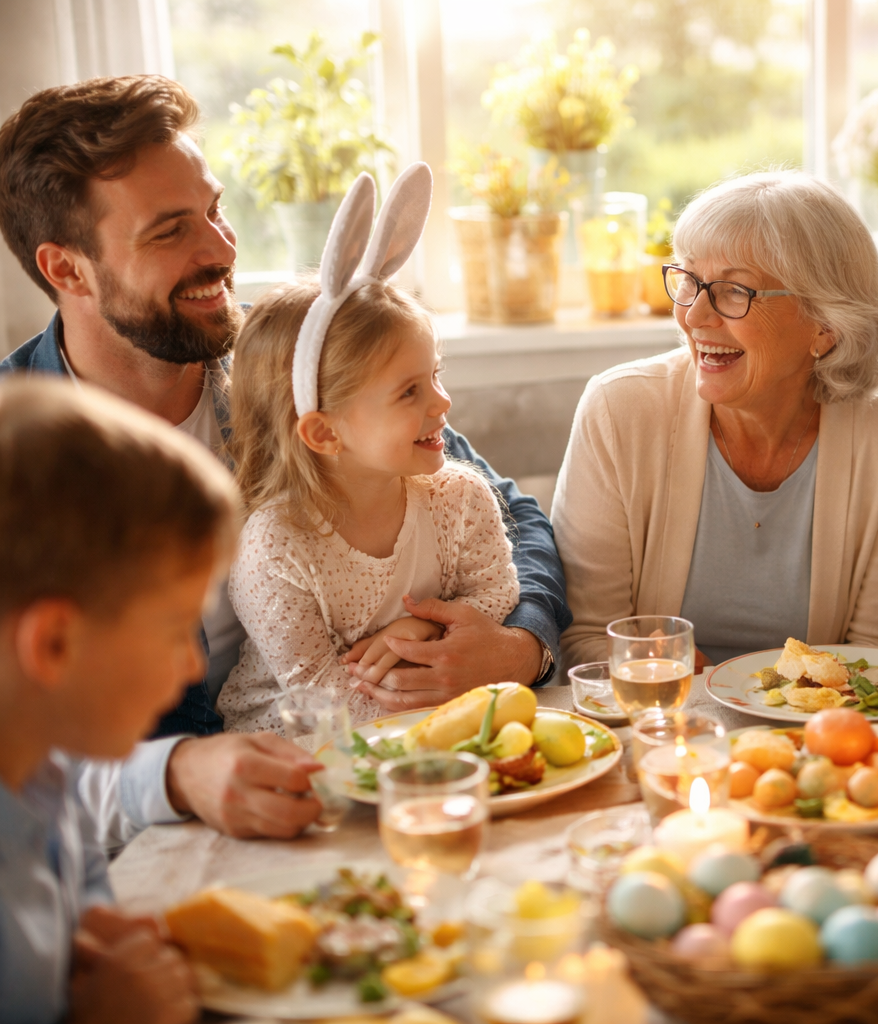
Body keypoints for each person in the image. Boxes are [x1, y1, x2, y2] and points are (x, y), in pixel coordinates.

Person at [0, 76, 570, 842]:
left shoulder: (291, 360)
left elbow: (508, 516)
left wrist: (517, 646)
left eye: (216, 210)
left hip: (361, 778)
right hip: (135, 842)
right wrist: (173, 773)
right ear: (66, 269)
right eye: (170, 232)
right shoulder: (20, 454)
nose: (221, 251)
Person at [554, 171, 878, 667]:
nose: (694, 316)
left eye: (735, 291)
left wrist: (761, 700)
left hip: (826, 716)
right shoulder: (618, 409)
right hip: (665, 710)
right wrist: (685, 683)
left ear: (826, 326)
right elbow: (584, 638)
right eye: (689, 280)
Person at [218, 167, 519, 732]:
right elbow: (322, 701)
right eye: (409, 391)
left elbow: (497, 590)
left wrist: (426, 629)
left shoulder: (458, 496)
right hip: (305, 740)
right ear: (324, 433)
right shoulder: (275, 547)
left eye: (436, 375)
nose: (442, 402)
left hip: (426, 720)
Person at [0, 376, 239, 1023]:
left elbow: (88, 920)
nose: (194, 664)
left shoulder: (47, 780)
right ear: (54, 644)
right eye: (175, 629)